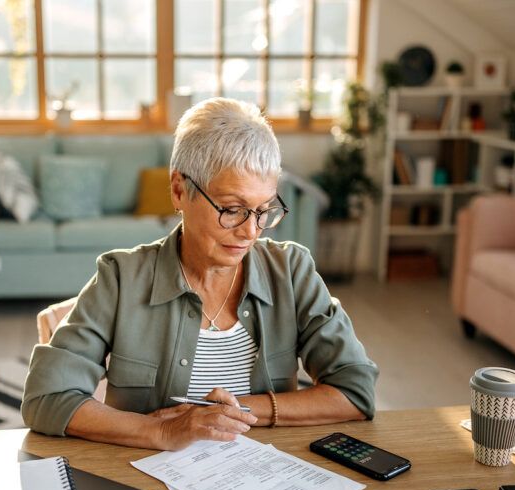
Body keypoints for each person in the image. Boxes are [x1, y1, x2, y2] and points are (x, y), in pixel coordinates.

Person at [22, 97, 378, 450]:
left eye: (263, 210)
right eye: (233, 209)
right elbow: (46, 398)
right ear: (179, 190)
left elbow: (355, 391)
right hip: (148, 486)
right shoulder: (120, 278)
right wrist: (161, 432)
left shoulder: (292, 272)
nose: (250, 231)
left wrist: (237, 411)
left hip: (269, 482)